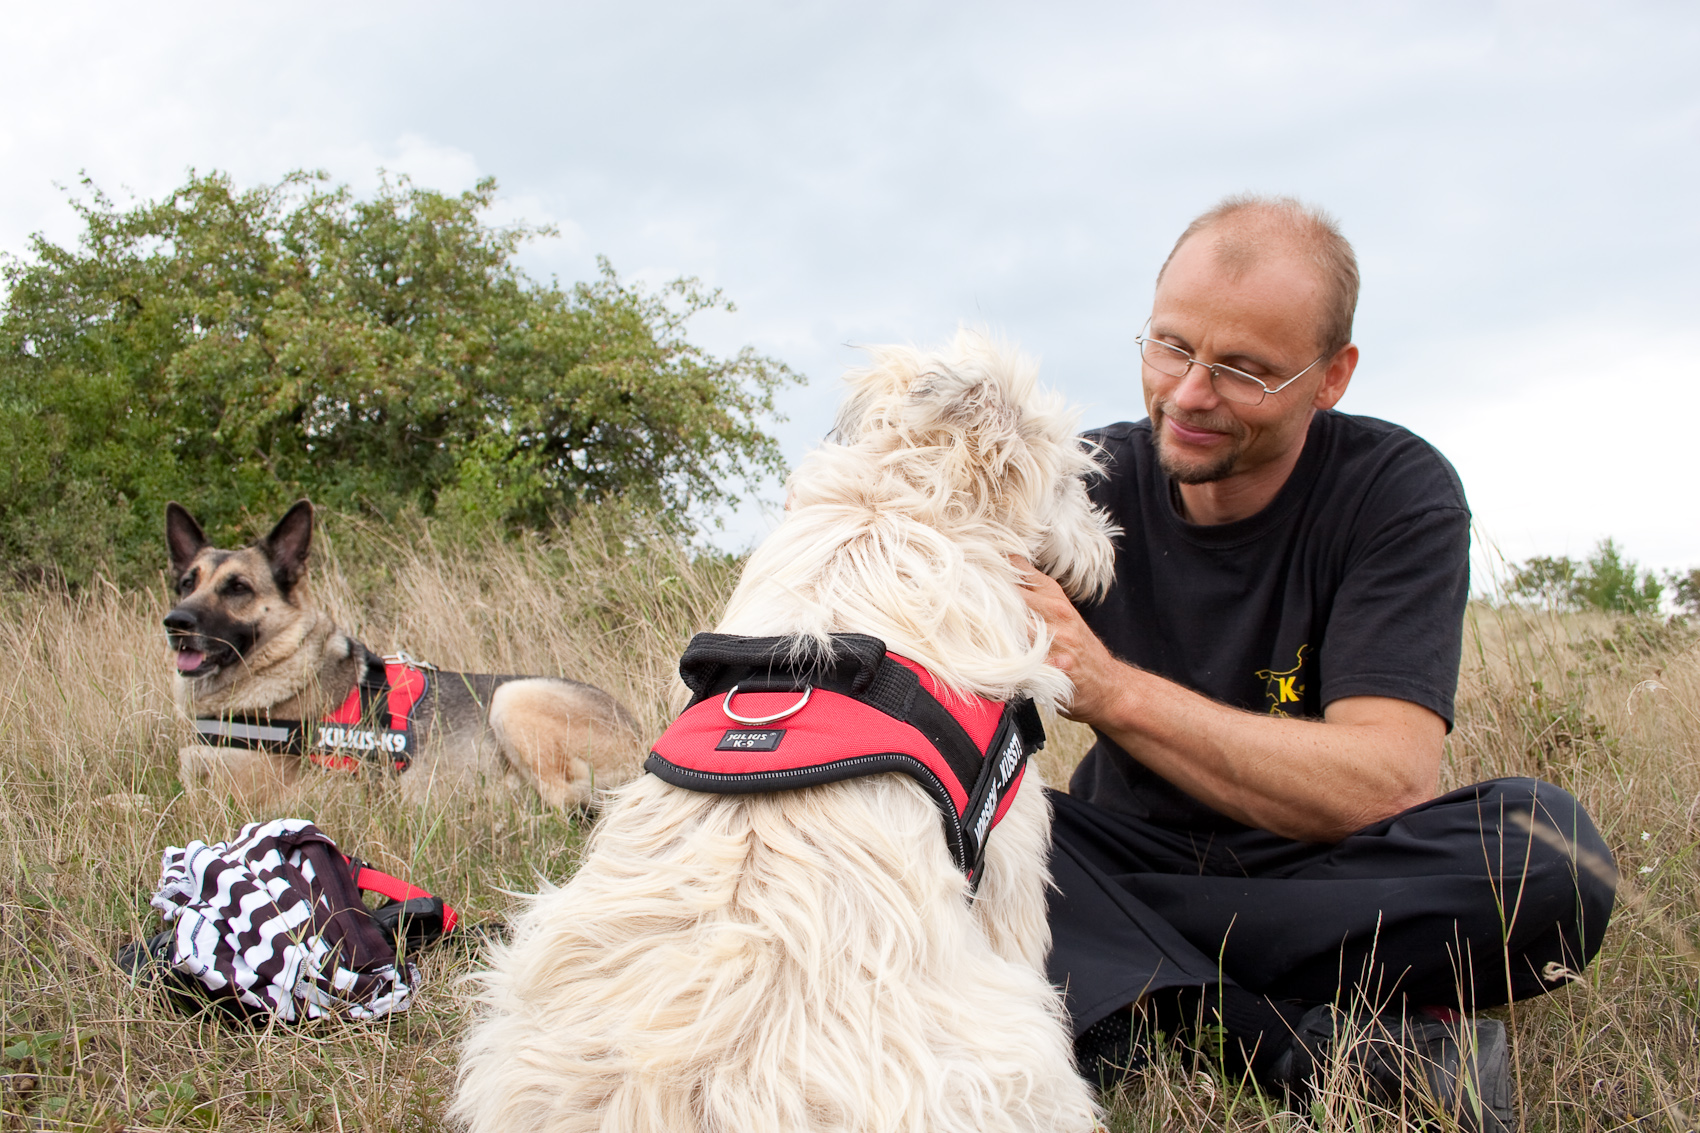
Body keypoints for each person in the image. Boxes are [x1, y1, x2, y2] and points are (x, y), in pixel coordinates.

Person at [1018, 195, 1616, 1130]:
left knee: (1549, 857)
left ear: (1331, 376)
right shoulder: (1074, 484)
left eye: (1244, 370)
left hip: (1330, 871)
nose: (1189, 394)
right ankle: (1303, 1046)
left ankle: (1135, 985)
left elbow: (1383, 782)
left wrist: (1110, 690)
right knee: (955, 839)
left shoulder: (1396, 490)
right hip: (1127, 847)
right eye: (1170, 346)